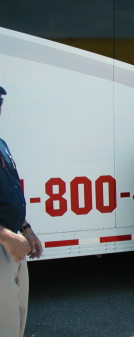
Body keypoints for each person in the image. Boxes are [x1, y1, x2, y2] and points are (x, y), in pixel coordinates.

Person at [0, 85, 43, 337]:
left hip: (13, 243)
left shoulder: (2, 144)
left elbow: (10, 194)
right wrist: (7, 237)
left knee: (16, 321)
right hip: (5, 241)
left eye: (0, 101)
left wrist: (27, 230)